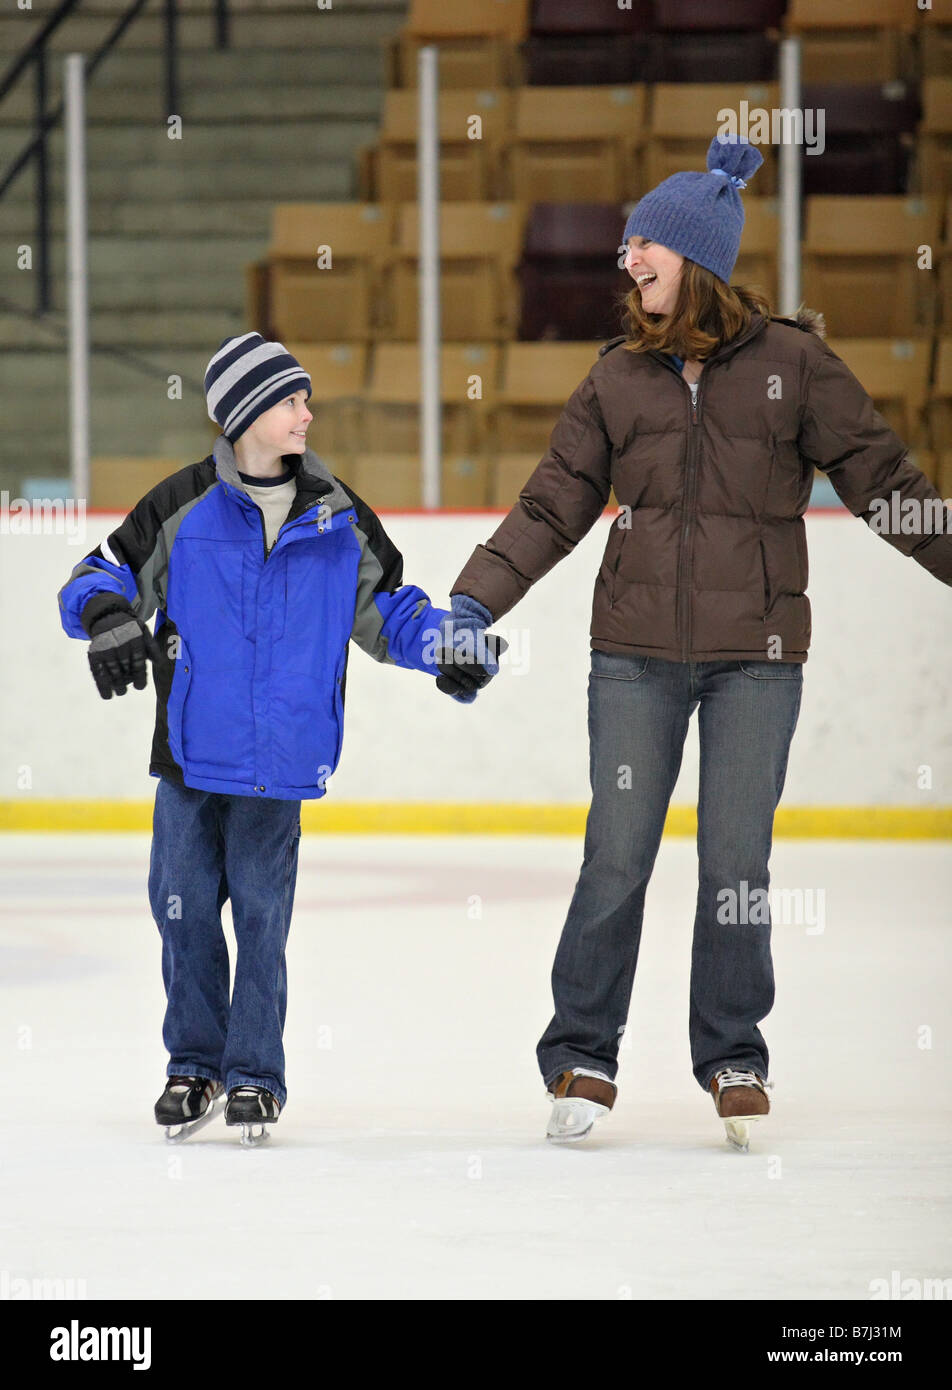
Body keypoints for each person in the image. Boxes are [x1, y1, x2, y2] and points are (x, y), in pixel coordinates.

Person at [445, 133, 952, 1150]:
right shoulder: (616, 377)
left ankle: (732, 1052)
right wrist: (470, 604)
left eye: (645, 244)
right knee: (618, 852)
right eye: (626, 245)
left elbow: (880, 479)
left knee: (736, 859)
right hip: (632, 655)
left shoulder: (796, 366)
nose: (626, 259)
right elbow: (550, 506)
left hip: (754, 660)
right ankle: (582, 1051)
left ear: (698, 257)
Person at [56, 333, 502, 1144]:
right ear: (245, 415)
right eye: (290, 400)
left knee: (262, 918)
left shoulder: (338, 514)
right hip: (190, 757)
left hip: (283, 761)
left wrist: (448, 645)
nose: (306, 413)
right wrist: (109, 616)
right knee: (181, 913)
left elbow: (391, 612)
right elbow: (97, 573)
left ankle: (256, 1073)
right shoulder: (183, 504)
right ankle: (194, 1064)